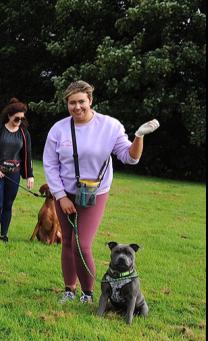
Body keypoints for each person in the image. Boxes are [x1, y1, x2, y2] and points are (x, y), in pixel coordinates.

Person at [43, 80, 160, 304]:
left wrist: (139, 136)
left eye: (81, 102)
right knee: (67, 241)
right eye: (71, 103)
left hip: (95, 194)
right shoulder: (58, 129)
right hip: (64, 193)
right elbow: (50, 164)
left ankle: (88, 293)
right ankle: (69, 289)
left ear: (90, 101)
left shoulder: (110, 126)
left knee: (82, 244)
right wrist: (61, 196)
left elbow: (131, 158)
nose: (77, 107)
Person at [0, 98, 34, 242]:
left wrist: (30, 175)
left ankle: (4, 234)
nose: (19, 121)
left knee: (8, 205)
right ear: (9, 115)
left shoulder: (24, 134)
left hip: (14, 174)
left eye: (21, 118)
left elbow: (28, 154)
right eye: (16, 118)